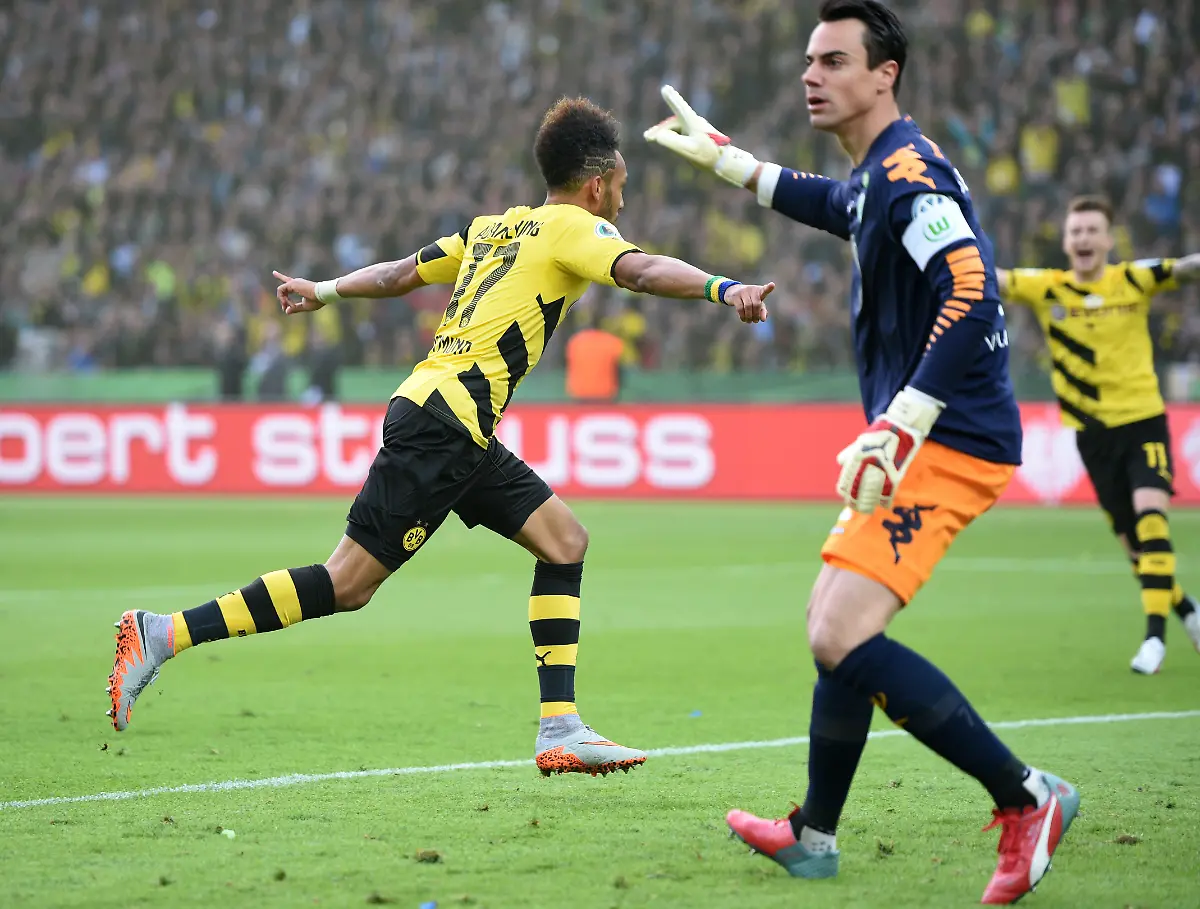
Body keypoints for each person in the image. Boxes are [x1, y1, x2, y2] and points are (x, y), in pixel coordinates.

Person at [108, 97, 775, 777]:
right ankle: (163, 632)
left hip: (452, 421)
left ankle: (561, 727)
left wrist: (326, 290)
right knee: (347, 583)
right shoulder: (578, 227)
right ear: (597, 185)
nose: (623, 203)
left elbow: (400, 273)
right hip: (445, 425)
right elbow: (641, 270)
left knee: (565, 541)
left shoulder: (492, 228)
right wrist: (723, 289)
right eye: (623, 187)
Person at [645, 1, 1076, 903]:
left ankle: (1026, 797)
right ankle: (814, 835)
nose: (812, 74)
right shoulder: (879, 174)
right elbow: (836, 205)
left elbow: (972, 288)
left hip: (950, 437)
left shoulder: (910, 177)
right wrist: (732, 162)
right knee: (831, 625)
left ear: (886, 75)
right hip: (928, 431)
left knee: (840, 631)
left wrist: (905, 416)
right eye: (810, 60)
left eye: (835, 60)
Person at [998, 196, 1200, 674]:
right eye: (1076, 232)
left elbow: (1185, 269)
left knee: (1152, 523)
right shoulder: (1048, 288)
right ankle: (1190, 613)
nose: (1083, 238)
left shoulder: (1133, 279)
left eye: (1092, 230)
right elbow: (993, 278)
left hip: (1143, 422)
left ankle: (1154, 639)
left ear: (1109, 240)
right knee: (1136, 549)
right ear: (1066, 242)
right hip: (1092, 436)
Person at [565, 321, 626, 402]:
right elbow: (618, 368)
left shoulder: (575, 341)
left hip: (579, 393)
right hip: (605, 394)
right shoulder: (612, 341)